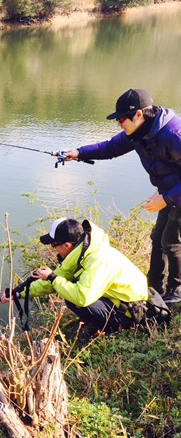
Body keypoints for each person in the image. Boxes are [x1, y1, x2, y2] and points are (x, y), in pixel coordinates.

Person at [61, 88, 181, 305]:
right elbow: (110, 148)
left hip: (175, 194)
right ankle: (154, 286)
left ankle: (177, 291)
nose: (119, 123)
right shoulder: (138, 133)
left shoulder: (172, 134)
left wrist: (166, 199)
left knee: (171, 242)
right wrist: (79, 153)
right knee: (157, 238)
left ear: (139, 115)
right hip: (169, 191)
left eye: (122, 118)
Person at [1, 217, 149, 335]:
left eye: (54, 245)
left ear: (66, 245)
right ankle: (105, 322)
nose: (53, 250)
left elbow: (82, 297)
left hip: (132, 311)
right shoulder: (81, 252)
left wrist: (52, 278)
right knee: (68, 290)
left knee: (73, 299)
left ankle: (115, 327)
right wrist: (18, 293)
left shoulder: (98, 259)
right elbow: (56, 278)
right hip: (117, 300)